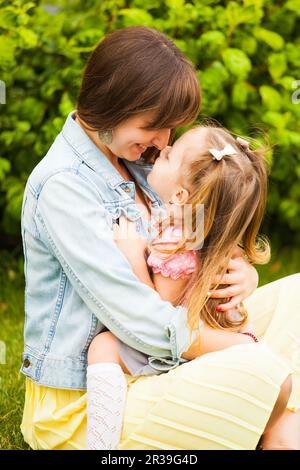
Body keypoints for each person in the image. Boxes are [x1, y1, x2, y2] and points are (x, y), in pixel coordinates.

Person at [20, 27, 298, 451]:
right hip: (91, 401)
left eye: (170, 131)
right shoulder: (65, 188)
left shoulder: (139, 162)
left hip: (159, 364)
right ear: (111, 105)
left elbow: (200, 247)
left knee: (295, 299)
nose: (163, 143)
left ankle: (268, 419)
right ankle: (273, 422)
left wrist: (237, 275)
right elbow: (136, 317)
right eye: (154, 126)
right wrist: (227, 345)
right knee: (259, 366)